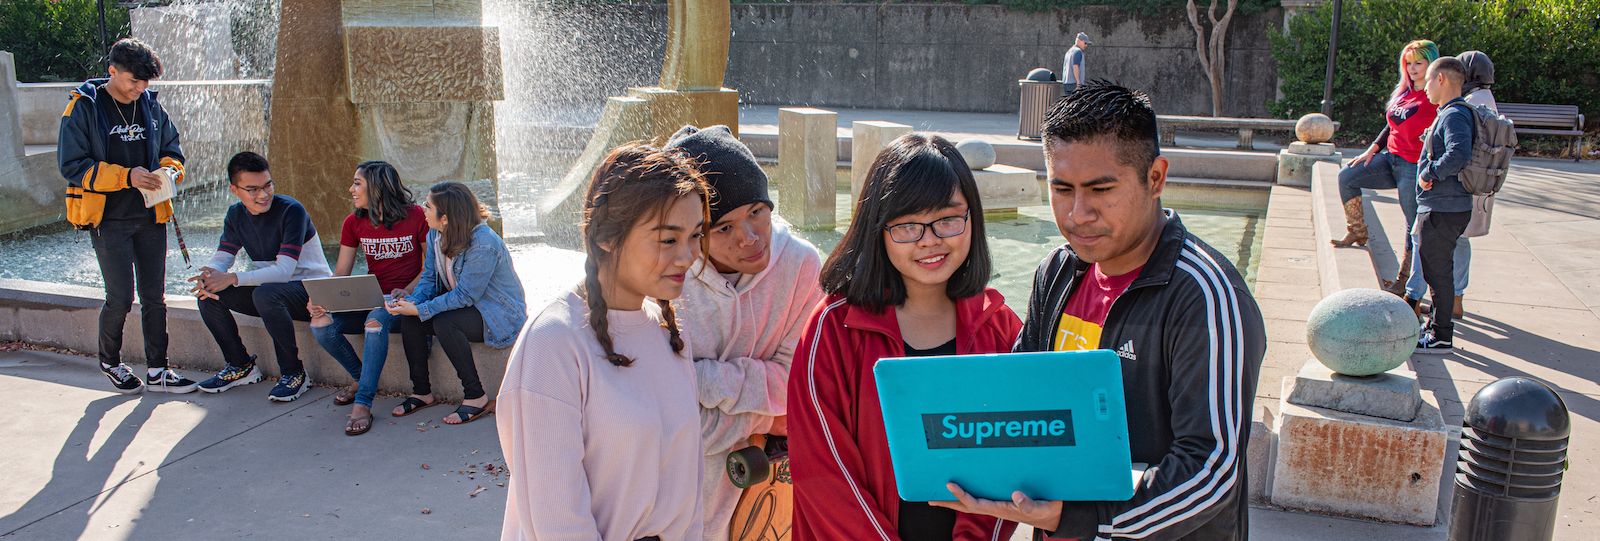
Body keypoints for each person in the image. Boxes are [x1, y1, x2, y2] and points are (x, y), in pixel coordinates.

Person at [930, 81, 1265, 541]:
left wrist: (1080, 518)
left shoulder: (1204, 295)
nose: (1077, 213)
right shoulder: (1058, 270)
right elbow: (1023, 400)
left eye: (1100, 189)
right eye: (1062, 189)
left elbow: (1210, 471)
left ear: (1155, 178)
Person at [789, 133, 1019, 541]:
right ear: (877, 228)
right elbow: (823, 473)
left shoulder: (1002, 329)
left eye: (948, 219)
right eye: (908, 225)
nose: (930, 239)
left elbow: (1014, 464)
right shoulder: (834, 329)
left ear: (973, 217)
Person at [498, 145, 710, 541]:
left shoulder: (670, 335)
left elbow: (688, 500)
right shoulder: (553, 344)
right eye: (668, 240)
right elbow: (557, 523)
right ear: (609, 237)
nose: (689, 256)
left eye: (696, 235)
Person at [662, 125, 827, 541]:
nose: (750, 237)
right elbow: (664, 418)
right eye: (724, 228)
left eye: (757, 210)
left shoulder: (801, 266)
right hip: (680, 492)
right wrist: (769, 418)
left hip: (775, 492)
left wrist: (702, 379)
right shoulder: (665, 280)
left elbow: (803, 385)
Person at [57, 37, 197, 393]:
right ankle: (111, 361)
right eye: (134, 80)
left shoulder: (150, 104)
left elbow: (173, 152)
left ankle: (158, 369)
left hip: (151, 215)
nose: (140, 88)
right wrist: (126, 176)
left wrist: (169, 173)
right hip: (108, 219)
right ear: (112, 71)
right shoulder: (84, 107)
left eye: (146, 82)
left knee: (155, 297)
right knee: (120, 296)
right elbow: (71, 165)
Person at [189, 151, 333, 401]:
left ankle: (294, 374)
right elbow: (224, 255)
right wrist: (210, 276)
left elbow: (283, 271)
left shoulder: (291, 210)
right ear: (235, 190)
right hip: (276, 294)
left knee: (266, 293)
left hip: (313, 293)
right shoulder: (235, 215)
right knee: (208, 296)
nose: (263, 195)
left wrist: (233, 278)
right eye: (252, 189)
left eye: (267, 185)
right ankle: (240, 365)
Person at [385, 181, 526, 425]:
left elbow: (466, 296)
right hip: (468, 308)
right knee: (412, 320)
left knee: (444, 322)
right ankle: (422, 392)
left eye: (428, 206)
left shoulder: (483, 243)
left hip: (498, 315)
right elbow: (429, 278)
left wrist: (422, 308)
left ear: (446, 218)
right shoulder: (434, 233)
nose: (423, 209)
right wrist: (410, 303)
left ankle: (476, 396)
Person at [307, 161, 429, 436]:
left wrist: (408, 290)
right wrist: (320, 299)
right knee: (320, 323)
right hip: (373, 297)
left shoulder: (417, 216)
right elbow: (341, 273)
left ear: (377, 188)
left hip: (408, 299)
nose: (351, 189)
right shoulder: (354, 222)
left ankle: (363, 402)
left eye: (357, 183)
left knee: (375, 321)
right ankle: (362, 379)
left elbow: (430, 268)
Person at [1332, 40, 1439, 296]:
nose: (1412, 69)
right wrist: (1373, 148)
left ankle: (1404, 280)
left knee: (1413, 225)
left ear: (1431, 64)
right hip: (1390, 158)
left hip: (1413, 165)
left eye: (1418, 63)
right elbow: (1393, 125)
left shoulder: (1435, 96)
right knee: (1347, 176)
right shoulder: (1405, 91)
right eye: (1408, 63)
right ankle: (1357, 232)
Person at [1404, 50, 1496, 319]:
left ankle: (1418, 302)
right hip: (1466, 194)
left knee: (1430, 255)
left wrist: (1429, 173)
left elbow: (1458, 153)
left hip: (1447, 198)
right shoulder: (1480, 100)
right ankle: (1451, 302)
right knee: (1450, 250)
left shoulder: (1458, 109)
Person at [1413, 57, 1476, 354]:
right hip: (1443, 206)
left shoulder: (1454, 115)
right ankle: (1435, 328)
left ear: (1441, 80)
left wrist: (1430, 173)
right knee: (1436, 271)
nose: (1424, 88)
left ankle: (1441, 337)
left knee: (1438, 274)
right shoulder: (1450, 113)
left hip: (1445, 208)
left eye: (1427, 81)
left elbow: (1459, 152)